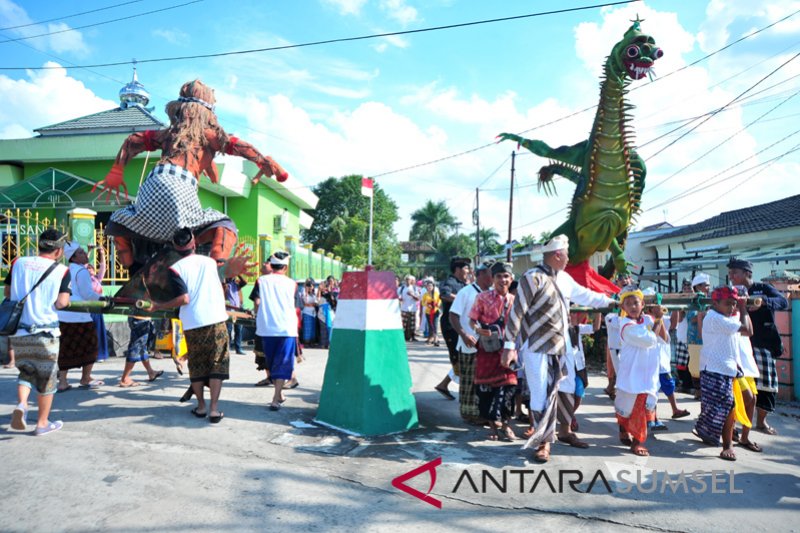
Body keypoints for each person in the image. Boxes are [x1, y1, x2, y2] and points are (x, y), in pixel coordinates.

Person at [95, 79, 288, 269]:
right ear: (209, 113)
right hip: (180, 185)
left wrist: (116, 171)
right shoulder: (209, 135)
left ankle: (133, 269)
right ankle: (216, 266)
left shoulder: (170, 133)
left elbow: (132, 140)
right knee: (224, 225)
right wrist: (263, 161)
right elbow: (238, 145)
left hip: (154, 183)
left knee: (118, 222)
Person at [502, 235, 614, 463]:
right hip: (536, 347)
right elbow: (517, 313)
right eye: (567, 254)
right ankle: (543, 442)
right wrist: (508, 346)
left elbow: (587, 296)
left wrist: (613, 301)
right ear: (557, 255)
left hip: (562, 347)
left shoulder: (564, 279)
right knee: (541, 393)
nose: (569, 259)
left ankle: (564, 431)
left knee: (567, 389)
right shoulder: (531, 278)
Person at [151, 228, 231, 424]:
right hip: (216, 320)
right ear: (194, 242)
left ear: (175, 247)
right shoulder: (211, 262)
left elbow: (183, 299)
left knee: (196, 365)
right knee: (216, 364)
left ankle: (201, 406)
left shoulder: (175, 268)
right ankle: (213, 409)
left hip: (193, 322)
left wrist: (159, 305)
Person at [6, 229, 71, 435]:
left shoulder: (18, 263)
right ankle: (42, 423)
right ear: (58, 250)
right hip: (46, 333)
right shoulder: (61, 271)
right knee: (46, 379)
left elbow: (8, 293)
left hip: (20, 332)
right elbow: (61, 303)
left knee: (26, 372)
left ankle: (22, 405)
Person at [727, 257, 788, 435]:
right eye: (730, 273)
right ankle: (736, 424)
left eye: (734, 273)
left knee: (766, 385)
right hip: (740, 345)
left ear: (747, 273)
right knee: (739, 386)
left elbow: (783, 302)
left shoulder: (763, 289)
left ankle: (761, 422)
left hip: (764, 345)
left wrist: (763, 301)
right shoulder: (731, 292)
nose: (731, 276)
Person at [693, 286, 753, 461]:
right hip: (714, 368)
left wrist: (742, 306)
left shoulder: (727, 318)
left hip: (726, 369)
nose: (732, 307)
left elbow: (748, 329)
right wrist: (743, 307)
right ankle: (727, 446)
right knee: (727, 406)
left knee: (718, 407)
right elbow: (747, 329)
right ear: (715, 303)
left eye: (734, 304)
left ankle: (706, 432)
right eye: (728, 303)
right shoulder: (715, 318)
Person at [469, 262, 517, 441]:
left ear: (511, 279)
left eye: (506, 276)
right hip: (487, 351)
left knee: (509, 389)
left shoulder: (516, 301)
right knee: (487, 390)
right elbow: (472, 321)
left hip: (509, 351)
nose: (503, 280)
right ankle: (493, 428)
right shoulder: (482, 298)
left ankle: (506, 425)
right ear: (493, 279)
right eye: (499, 276)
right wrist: (478, 330)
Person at [614, 286, 661, 457]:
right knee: (625, 407)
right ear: (623, 308)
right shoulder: (626, 325)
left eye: (636, 303)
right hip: (631, 375)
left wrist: (656, 316)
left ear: (642, 304)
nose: (633, 306)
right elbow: (649, 340)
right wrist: (657, 321)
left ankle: (637, 442)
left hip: (647, 375)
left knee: (641, 409)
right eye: (628, 304)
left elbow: (660, 327)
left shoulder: (646, 320)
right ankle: (623, 431)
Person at [250, 251, 299, 411]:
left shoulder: (261, 281)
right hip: (286, 329)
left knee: (271, 362)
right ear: (285, 266)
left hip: (266, 328)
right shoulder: (292, 284)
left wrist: (260, 312)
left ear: (271, 265)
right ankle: (277, 397)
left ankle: (276, 397)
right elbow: (296, 306)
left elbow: (257, 302)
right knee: (283, 363)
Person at [447, 262, 492, 422]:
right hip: (469, 343)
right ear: (480, 274)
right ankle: (470, 414)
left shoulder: (493, 293)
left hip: (489, 345)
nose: (492, 277)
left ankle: (484, 412)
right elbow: (453, 315)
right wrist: (464, 334)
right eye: (489, 273)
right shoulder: (466, 292)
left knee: (485, 381)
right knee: (469, 381)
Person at [56, 241, 103, 392]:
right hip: (80, 316)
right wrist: (103, 300)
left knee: (65, 348)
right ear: (74, 257)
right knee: (91, 346)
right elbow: (87, 294)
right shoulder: (82, 272)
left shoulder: (65, 270)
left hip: (63, 315)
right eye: (81, 252)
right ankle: (85, 378)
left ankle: (62, 381)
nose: (85, 254)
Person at [435, 257, 472, 398]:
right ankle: (465, 394)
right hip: (451, 326)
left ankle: (444, 385)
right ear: (457, 269)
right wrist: (462, 298)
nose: (468, 271)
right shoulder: (449, 282)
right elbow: (444, 295)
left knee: (463, 357)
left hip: (463, 326)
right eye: (466, 268)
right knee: (458, 358)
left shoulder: (464, 284)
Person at [603, 274, 631, 399]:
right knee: (613, 363)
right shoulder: (614, 296)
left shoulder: (635, 293)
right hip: (616, 335)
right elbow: (611, 317)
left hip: (630, 336)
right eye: (621, 279)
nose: (624, 280)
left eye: (626, 278)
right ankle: (612, 386)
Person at [118, 317, 163, 387]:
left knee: (142, 348)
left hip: (143, 318)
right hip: (139, 319)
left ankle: (151, 372)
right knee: (136, 348)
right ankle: (125, 378)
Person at [687, 273, 711, 399]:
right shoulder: (693, 301)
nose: (708, 288)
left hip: (709, 338)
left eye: (708, 285)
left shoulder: (710, 300)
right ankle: (698, 391)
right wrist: (703, 313)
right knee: (696, 365)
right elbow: (691, 319)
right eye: (705, 285)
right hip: (695, 338)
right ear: (698, 287)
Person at [87, 246, 109, 362]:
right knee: (88, 333)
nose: (90, 268)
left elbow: (103, 267)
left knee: (98, 332)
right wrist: (89, 251)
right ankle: (89, 354)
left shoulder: (97, 279)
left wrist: (102, 253)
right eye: (88, 268)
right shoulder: (84, 279)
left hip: (97, 308)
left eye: (92, 268)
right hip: (86, 309)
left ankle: (100, 355)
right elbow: (83, 265)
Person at [224, 274, 247, 355]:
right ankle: (228, 348)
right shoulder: (224, 285)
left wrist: (239, 274)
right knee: (229, 330)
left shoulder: (237, 284)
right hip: (229, 310)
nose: (231, 276)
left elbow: (245, 282)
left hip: (238, 310)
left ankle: (238, 348)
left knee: (238, 330)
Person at [399, 275, 420, 342]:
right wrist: (400, 299)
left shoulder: (414, 288)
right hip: (404, 308)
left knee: (412, 323)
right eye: (407, 279)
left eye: (409, 280)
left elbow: (417, 299)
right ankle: (404, 337)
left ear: (411, 281)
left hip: (412, 309)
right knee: (404, 324)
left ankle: (412, 336)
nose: (408, 281)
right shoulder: (401, 288)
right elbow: (399, 297)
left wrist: (412, 295)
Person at [421, 279, 441, 346]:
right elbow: (422, 302)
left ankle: (436, 339)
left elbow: (439, 300)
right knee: (430, 325)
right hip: (428, 312)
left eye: (431, 286)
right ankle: (430, 338)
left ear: (433, 287)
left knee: (435, 325)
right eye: (428, 286)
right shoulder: (425, 294)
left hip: (435, 311)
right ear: (426, 287)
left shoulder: (436, 294)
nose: (429, 287)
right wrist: (427, 304)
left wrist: (438, 304)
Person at [301, 279, 319, 346]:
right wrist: (306, 290)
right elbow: (305, 301)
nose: (310, 287)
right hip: (307, 312)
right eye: (308, 285)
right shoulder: (304, 292)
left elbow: (316, 302)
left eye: (311, 285)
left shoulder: (314, 293)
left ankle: (312, 341)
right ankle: (306, 342)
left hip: (313, 313)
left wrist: (311, 290)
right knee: (307, 328)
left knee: (312, 328)